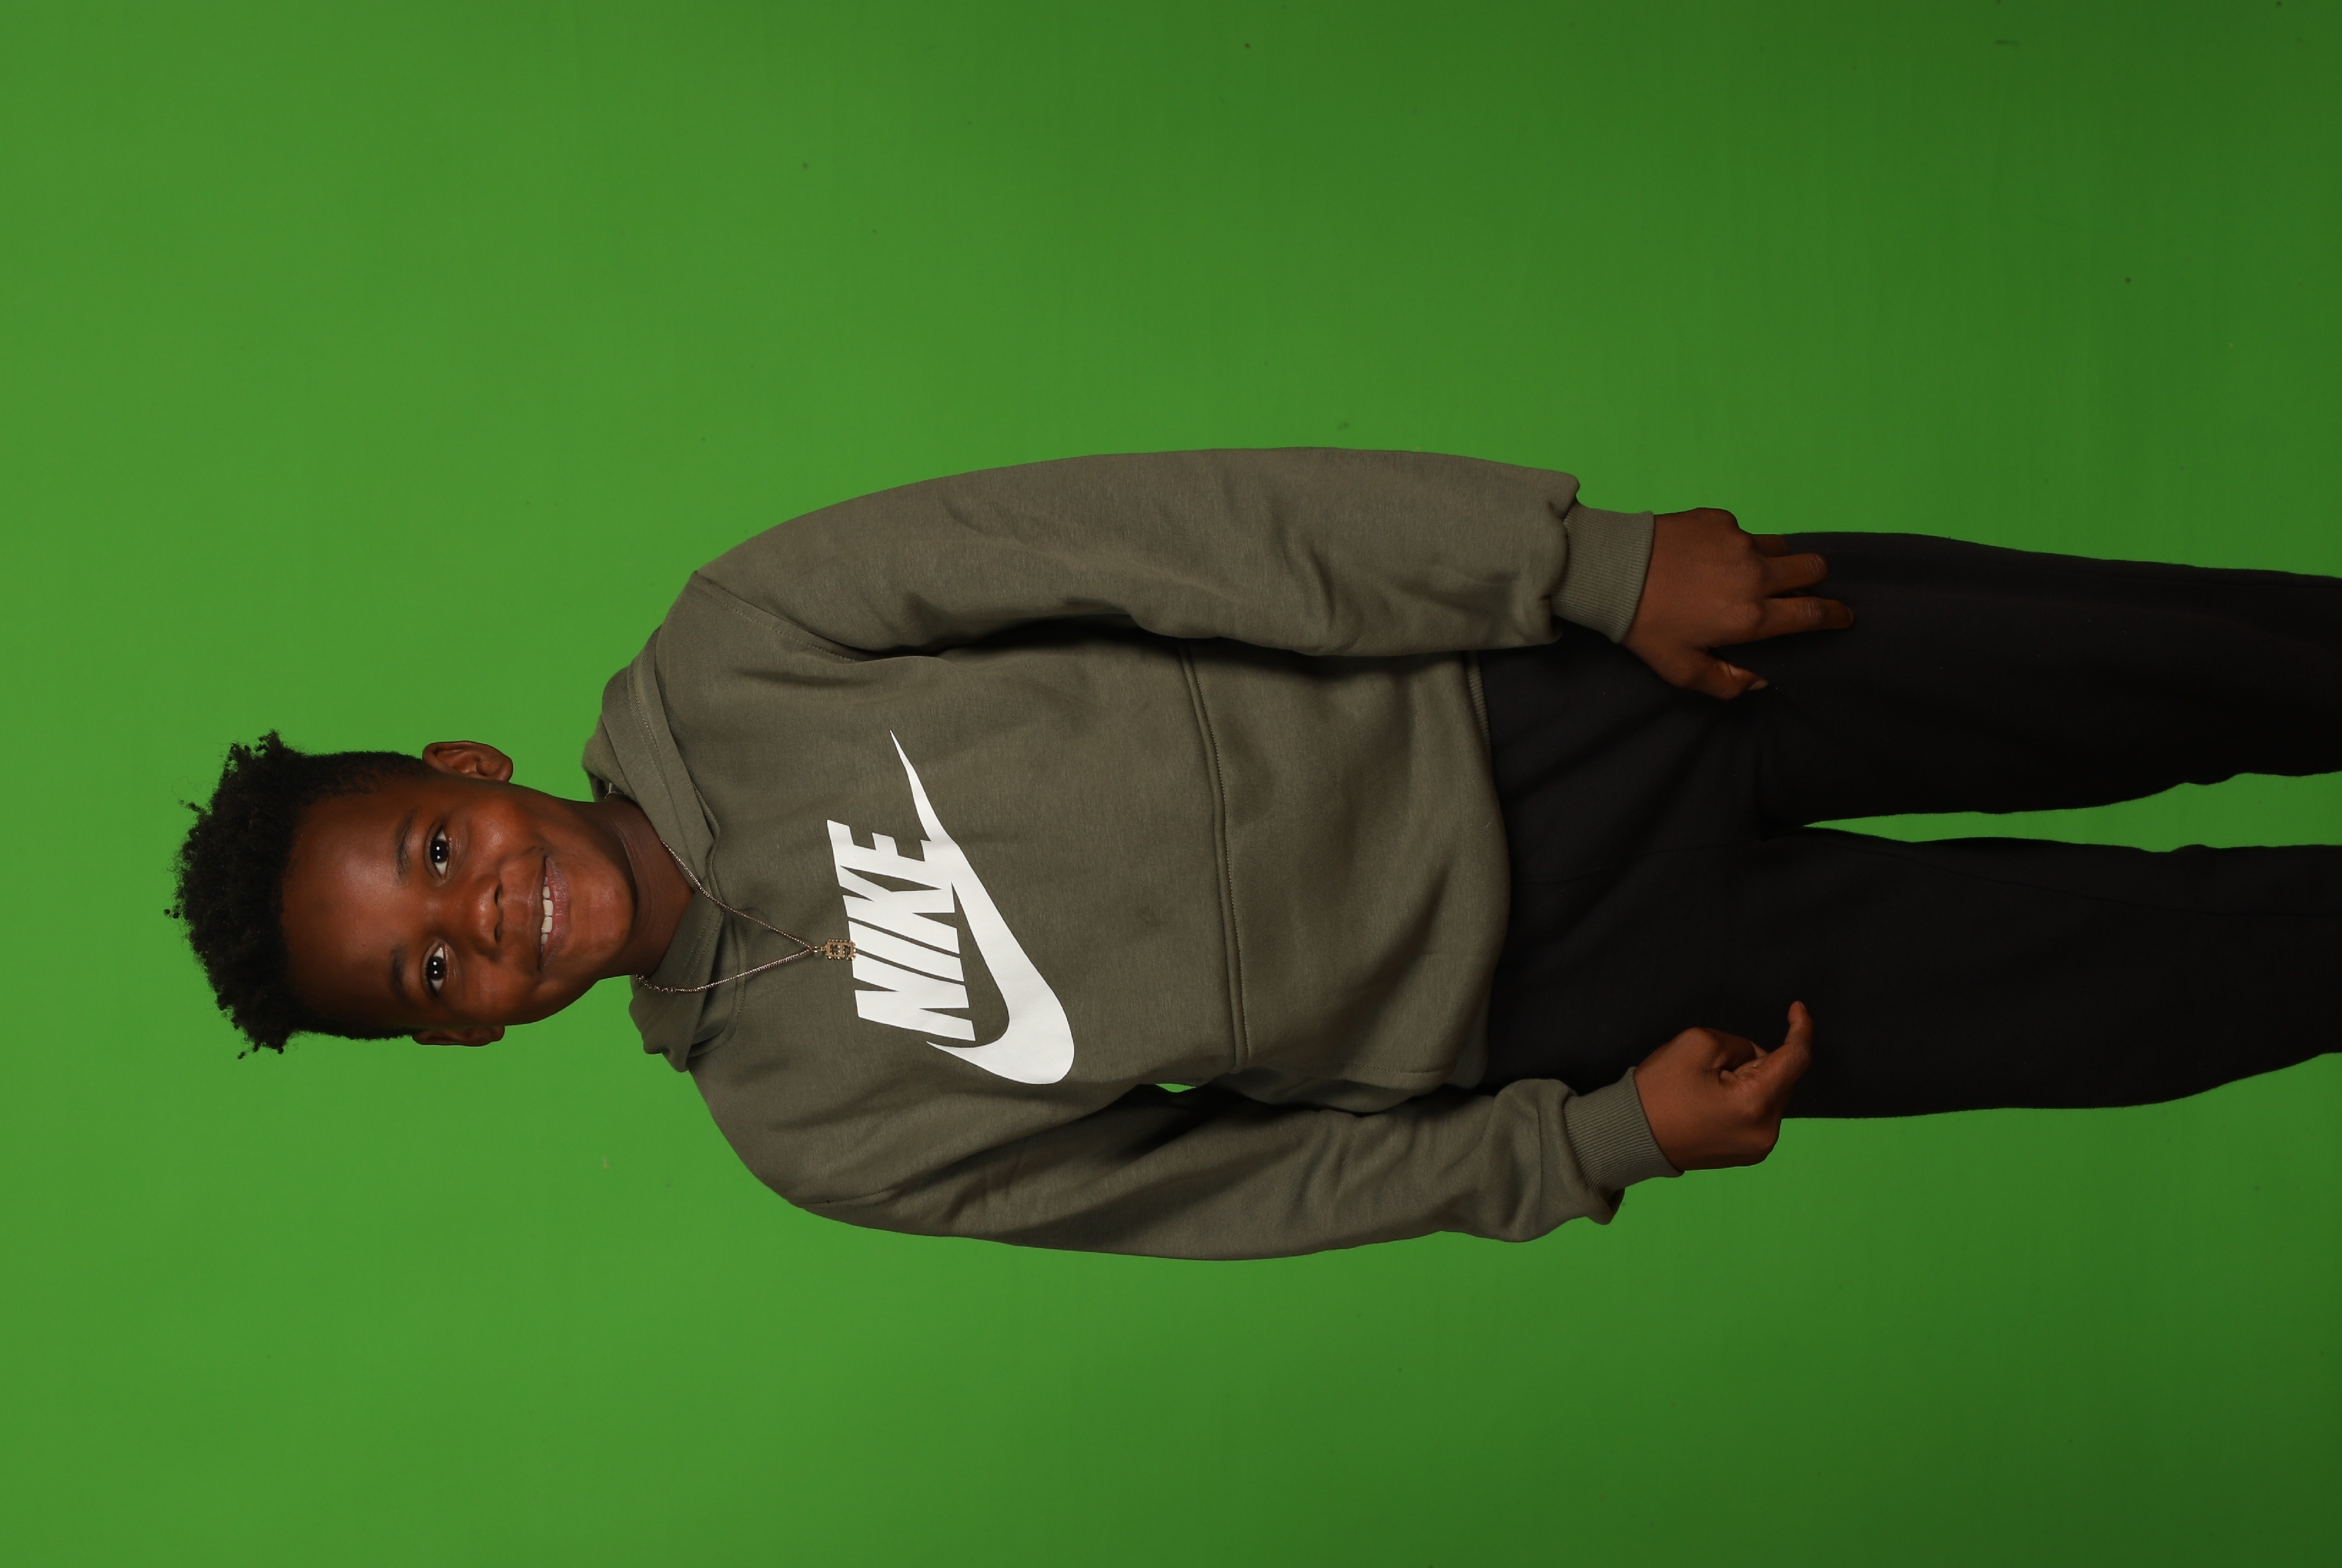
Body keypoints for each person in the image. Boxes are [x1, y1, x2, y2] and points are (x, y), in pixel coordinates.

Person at [169, 449, 2342, 1259]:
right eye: (430, 969)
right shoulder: (811, 1131)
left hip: (1544, 694)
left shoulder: (747, 641)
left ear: (465, 764)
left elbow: (1183, 537)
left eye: (434, 849)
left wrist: (1577, 567)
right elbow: (1224, 1194)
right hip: (1561, 1002)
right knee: (2162, 990)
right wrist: (1580, 1144)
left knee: (2163, 667)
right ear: (462, 1037)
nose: (482, 916)